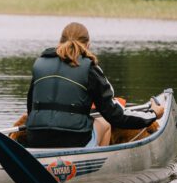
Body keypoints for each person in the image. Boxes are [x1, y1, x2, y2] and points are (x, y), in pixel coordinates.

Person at [22, 21, 163, 148]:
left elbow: (31, 109)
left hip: (36, 138)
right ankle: (98, 167)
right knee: (105, 123)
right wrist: (153, 114)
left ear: (59, 42)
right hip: (73, 140)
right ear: (88, 45)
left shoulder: (39, 64)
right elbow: (115, 116)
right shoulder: (90, 68)